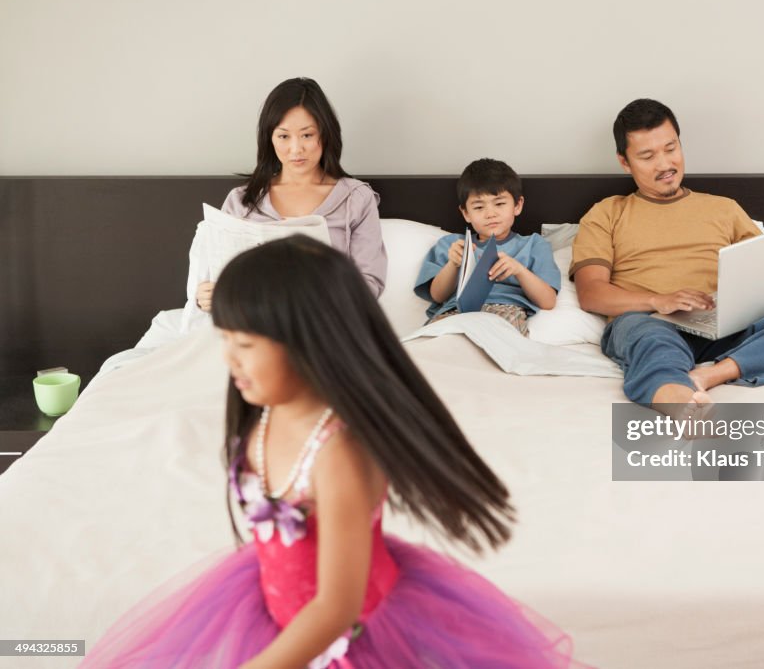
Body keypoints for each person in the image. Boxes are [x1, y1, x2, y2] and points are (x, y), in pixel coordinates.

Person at [83, 237, 579, 668]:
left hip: (345, 632)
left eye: (247, 343)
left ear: (311, 340)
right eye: (226, 339)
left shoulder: (340, 453)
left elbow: (335, 608)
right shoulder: (263, 415)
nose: (229, 358)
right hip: (272, 604)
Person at [572, 98, 764, 405]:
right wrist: (658, 301)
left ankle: (711, 375)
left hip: (723, 326)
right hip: (649, 321)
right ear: (625, 162)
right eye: (647, 156)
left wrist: (734, 306)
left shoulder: (724, 209)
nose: (665, 165)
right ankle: (678, 400)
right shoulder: (607, 213)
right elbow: (591, 293)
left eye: (671, 148)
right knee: (650, 338)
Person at [181, 77, 386, 332]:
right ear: (270, 138)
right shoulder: (241, 201)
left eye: (307, 135)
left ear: (326, 134)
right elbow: (220, 279)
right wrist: (207, 297)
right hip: (251, 333)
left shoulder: (356, 199)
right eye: (284, 136)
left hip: (327, 332)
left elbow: (370, 284)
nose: (295, 149)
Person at [414, 158, 560, 336]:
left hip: (505, 311)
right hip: (455, 312)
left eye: (499, 204)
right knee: (429, 345)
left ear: (517, 205)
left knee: (493, 343)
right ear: (466, 213)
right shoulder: (452, 245)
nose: (490, 214)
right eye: (479, 207)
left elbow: (548, 301)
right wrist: (452, 265)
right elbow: (437, 296)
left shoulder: (534, 245)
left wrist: (519, 270)